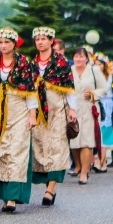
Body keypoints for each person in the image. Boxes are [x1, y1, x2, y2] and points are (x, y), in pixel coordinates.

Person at [0, 27, 37, 212]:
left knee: (16, 151)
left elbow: (30, 90)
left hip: (19, 109)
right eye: (0, 42)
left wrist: (32, 114)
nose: (3, 46)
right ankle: (1, 193)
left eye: (7, 42)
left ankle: (12, 197)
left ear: (14, 44)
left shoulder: (23, 63)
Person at [29, 27, 77, 206]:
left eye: (43, 38)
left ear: (51, 41)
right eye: (37, 39)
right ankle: (43, 180)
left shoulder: (61, 62)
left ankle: (51, 189)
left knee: (57, 148)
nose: (40, 41)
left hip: (57, 110)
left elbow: (70, 87)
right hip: (38, 110)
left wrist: (73, 109)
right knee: (40, 147)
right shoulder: (32, 64)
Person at [69, 47, 108, 185]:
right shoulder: (69, 70)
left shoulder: (94, 70)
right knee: (74, 140)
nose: (78, 59)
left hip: (89, 107)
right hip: (72, 108)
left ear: (86, 58)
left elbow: (104, 90)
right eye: (76, 56)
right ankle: (78, 165)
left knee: (87, 141)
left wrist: (93, 94)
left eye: (81, 56)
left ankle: (84, 172)